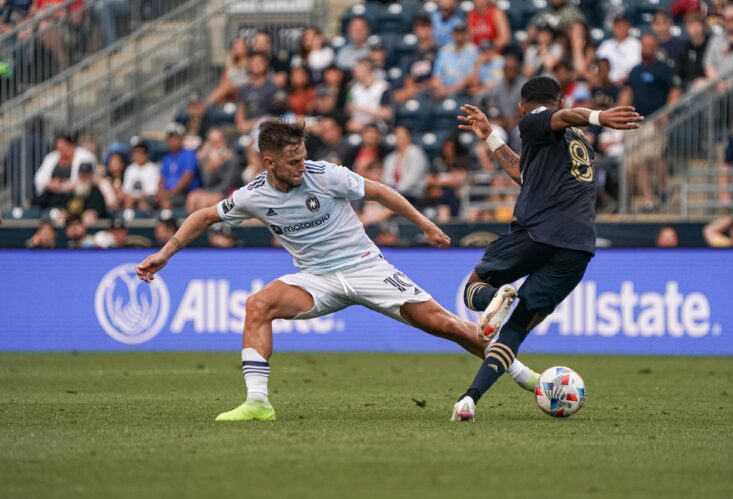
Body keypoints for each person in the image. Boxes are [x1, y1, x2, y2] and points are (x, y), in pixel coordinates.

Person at [134, 120, 540, 422]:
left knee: (448, 327)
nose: (301, 166)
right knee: (258, 304)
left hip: (365, 266)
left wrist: (424, 224)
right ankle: (257, 403)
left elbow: (379, 191)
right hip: (316, 278)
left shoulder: (325, 175)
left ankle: (527, 378)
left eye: (303, 156)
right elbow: (205, 216)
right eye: (293, 161)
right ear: (268, 161)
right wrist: (165, 254)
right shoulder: (253, 195)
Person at [450, 78, 643, 421]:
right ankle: (469, 400)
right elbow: (522, 172)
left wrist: (598, 117)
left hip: (538, 232)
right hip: (578, 249)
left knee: (471, 289)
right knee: (515, 331)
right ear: (562, 96)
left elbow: (562, 116)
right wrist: (490, 136)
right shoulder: (576, 143)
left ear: (522, 106)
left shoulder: (537, 119)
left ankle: (492, 300)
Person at [157, 122, 201, 209]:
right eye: (170, 137)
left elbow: (186, 179)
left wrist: (169, 194)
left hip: (184, 193)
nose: (172, 140)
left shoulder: (189, 155)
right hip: (168, 193)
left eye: (175, 137)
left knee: (167, 203)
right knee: (146, 201)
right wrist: (161, 193)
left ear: (181, 138)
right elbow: (162, 179)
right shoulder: (166, 158)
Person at [382, 125, 429, 204]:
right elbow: (386, 177)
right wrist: (391, 189)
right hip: (393, 195)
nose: (400, 141)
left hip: (412, 196)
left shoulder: (416, 152)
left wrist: (396, 190)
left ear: (408, 137)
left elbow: (413, 178)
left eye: (402, 138)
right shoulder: (391, 157)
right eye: (397, 138)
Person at [235, 52, 280, 135]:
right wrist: (241, 124)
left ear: (266, 65)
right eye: (253, 61)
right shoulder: (244, 88)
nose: (256, 64)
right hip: (245, 130)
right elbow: (240, 110)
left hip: (264, 131)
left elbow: (273, 116)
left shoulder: (273, 88)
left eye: (260, 61)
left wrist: (251, 124)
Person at [431, 22, 479, 99]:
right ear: (452, 34)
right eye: (457, 32)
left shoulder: (473, 51)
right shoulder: (444, 51)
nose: (459, 35)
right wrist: (439, 88)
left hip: (462, 89)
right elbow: (436, 76)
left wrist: (448, 90)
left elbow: (471, 79)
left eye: (462, 32)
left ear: (467, 34)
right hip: (444, 88)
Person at [595, 14, 641, 85]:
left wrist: (622, 80)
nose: (621, 29)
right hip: (605, 84)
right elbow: (597, 64)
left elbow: (636, 69)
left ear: (628, 27)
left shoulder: (636, 44)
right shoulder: (606, 45)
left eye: (624, 26)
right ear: (613, 28)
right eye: (618, 26)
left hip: (627, 84)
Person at [704, 3, 733, 80]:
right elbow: (708, 65)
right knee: (698, 85)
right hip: (717, 83)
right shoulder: (715, 40)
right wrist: (718, 82)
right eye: (727, 19)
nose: (730, 23)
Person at [122, 140, 159, 211]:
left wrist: (139, 197)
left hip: (148, 199)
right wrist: (135, 197)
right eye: (136, 152)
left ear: (147, 154)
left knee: (142, 204)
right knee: (128, 201)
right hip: (132, 199)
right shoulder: (130, 169)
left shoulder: (153, 168)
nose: (139, 155)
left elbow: (153, 190)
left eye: (142, 152)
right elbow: (126, 189)